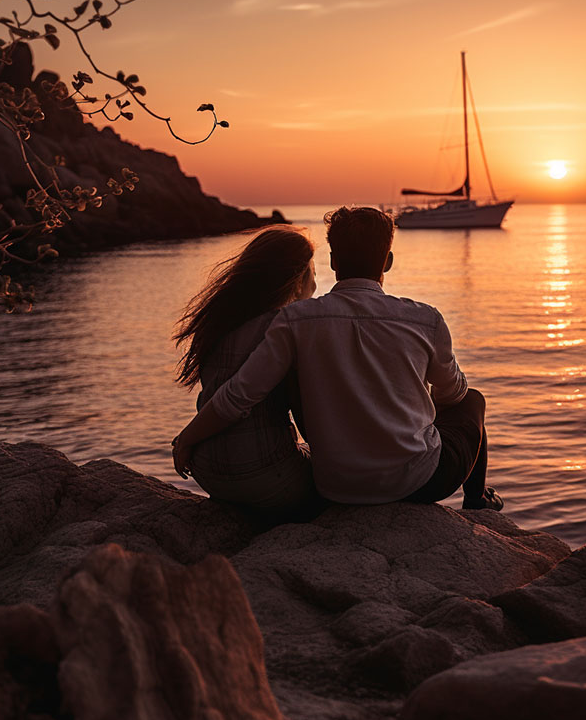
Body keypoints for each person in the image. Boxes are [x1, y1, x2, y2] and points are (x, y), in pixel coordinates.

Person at [173, 206, 501, 510]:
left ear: (333, 261)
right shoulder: (425, 319)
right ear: (387, 261)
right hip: (419, 483)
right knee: (472, 400)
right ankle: (477, 502)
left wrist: (187, 439)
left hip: (336, 486)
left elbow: (238, 395)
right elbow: (454, 394)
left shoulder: (295, 320)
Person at [172, 226, 320, 519]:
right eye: (313, 272)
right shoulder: (284, 327)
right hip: (266, 477)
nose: (315, 284)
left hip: (208, 471)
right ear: (298, 277)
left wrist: (187, 439)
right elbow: (307, 417)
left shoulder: (216, 321)